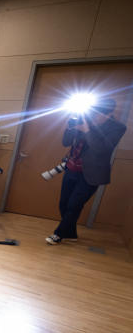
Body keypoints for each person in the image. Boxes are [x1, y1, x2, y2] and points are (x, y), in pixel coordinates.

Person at [46, 98, 127, 245]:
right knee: (64, 204)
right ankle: (71, 233)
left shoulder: (118, 127)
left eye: (96, 114)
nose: (92, 116)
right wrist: (71, 126)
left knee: (74, 204)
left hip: (91, 174)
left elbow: (101, 149)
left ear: (108, 114)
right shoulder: (84, 120)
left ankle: (59, 234)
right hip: (71, 168)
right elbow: (65, 142)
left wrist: (87, 130)